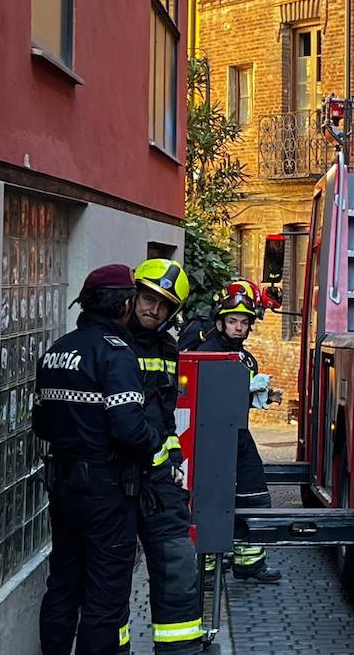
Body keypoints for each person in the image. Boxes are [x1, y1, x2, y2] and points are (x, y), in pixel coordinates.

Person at [34, 264, 162, 655]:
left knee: (63, 585)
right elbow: (128, 428)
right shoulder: (116, 353)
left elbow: (40, 422)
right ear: (124, 304)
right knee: (104, 598)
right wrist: (154, 441)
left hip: (63, 486)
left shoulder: (57, 350)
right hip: (106, 490)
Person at [128, 259, 206, 653]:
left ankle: (180, 647)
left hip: (158, 475)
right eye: (148, 298)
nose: (152, 309)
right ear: (134, 294)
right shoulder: (111, 342)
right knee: (112, 571)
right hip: (117, 474)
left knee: (177, 559)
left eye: (162, 304)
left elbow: (165, 416)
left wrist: (172, 462)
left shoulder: (168, 348)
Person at [181, 281, 281, 582]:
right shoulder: (207, 352)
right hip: (210, 439)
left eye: (244, 322)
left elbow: (240, 400)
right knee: (212, 500)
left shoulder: (247, 358)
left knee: (253, 495)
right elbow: (203, 396)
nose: (239, 327)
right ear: (220, 322)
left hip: (238, 435)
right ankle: (207, 570)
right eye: (233, 321)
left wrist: (263, 396)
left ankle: (249, 561)